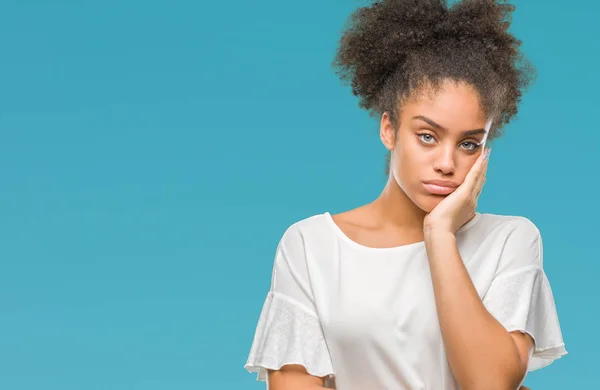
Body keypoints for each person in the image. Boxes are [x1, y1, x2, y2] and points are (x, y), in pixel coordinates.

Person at [244, 0, 567, 389]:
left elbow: (491, 384)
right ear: (389, 130)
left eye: (468, 144)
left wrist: (439, 235)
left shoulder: (511, 241)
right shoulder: (311, 246)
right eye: (427, 136)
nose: (446, 163)